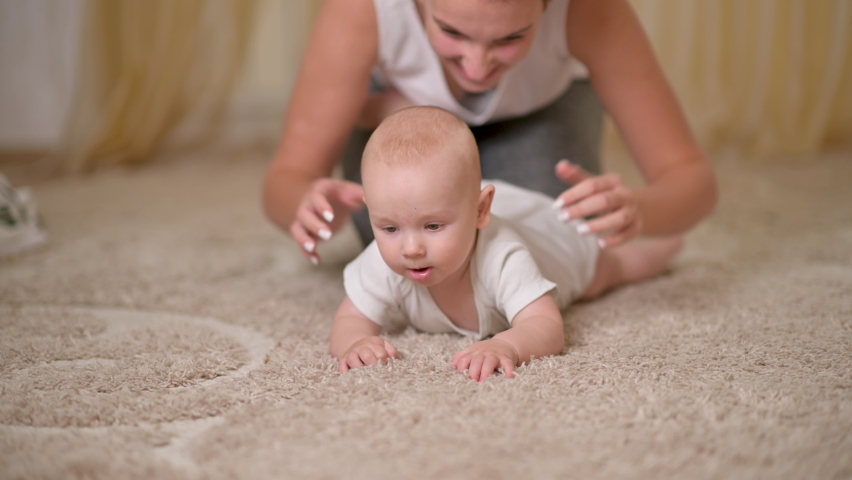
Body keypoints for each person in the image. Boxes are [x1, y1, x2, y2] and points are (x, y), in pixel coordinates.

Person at [262, 0, 717, 265]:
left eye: (510, 38)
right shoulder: (363, 10)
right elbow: (286, 180)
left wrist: (640, 211)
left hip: (539, 112)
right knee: (392, 227)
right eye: (451, 31)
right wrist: (307, 209)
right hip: (402, 121)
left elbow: (693, 181)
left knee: (550, 242)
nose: (478, 67)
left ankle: (398, 107)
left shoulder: (589, 10)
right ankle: (392, 110)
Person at [330, 106, 682, 381]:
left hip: (553, 238)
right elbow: (349, 319)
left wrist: (507, 345)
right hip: (481, 207)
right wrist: (355, 342)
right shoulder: (382, 258)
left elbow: (546, 326)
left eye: (433, 226)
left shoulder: (503, 256)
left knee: (612, 268)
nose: (410, 249)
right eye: (389, 228)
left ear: (481, 210)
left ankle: (666, 247)